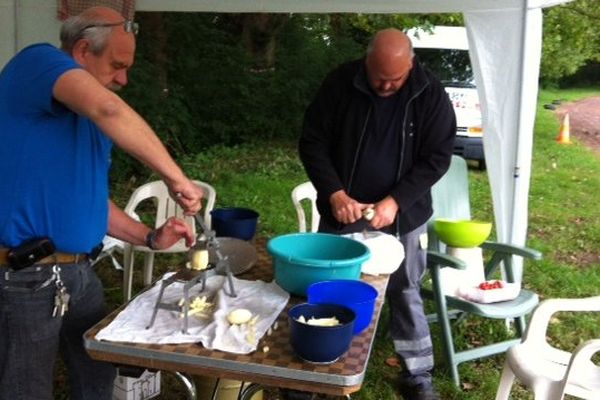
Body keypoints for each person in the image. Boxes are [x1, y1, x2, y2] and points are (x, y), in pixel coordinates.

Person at [0, 7, 204, 400]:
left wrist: (148, 236)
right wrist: (175, 177)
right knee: (25, 391)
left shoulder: (90, 125)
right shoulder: (38, 61)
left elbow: (91, 200)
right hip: (26, 277)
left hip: (80, 274)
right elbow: (109, 108)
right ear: (80, 51)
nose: (124, 79)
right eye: (117, 65)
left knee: (97, 379)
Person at [299, 28, 456, 400]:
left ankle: (417, 373)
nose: (386, 86)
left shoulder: (430, 93)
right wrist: (334, 192)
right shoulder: (341, 83)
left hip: (404, 214)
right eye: (379, 78)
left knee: (405, 290)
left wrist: (396, 200)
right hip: (343, 211)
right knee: (333, 289)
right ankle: (320, 367)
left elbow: (437, 157)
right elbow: (313, 141)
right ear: (366, 62)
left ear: (411, 65)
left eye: (395, 79)